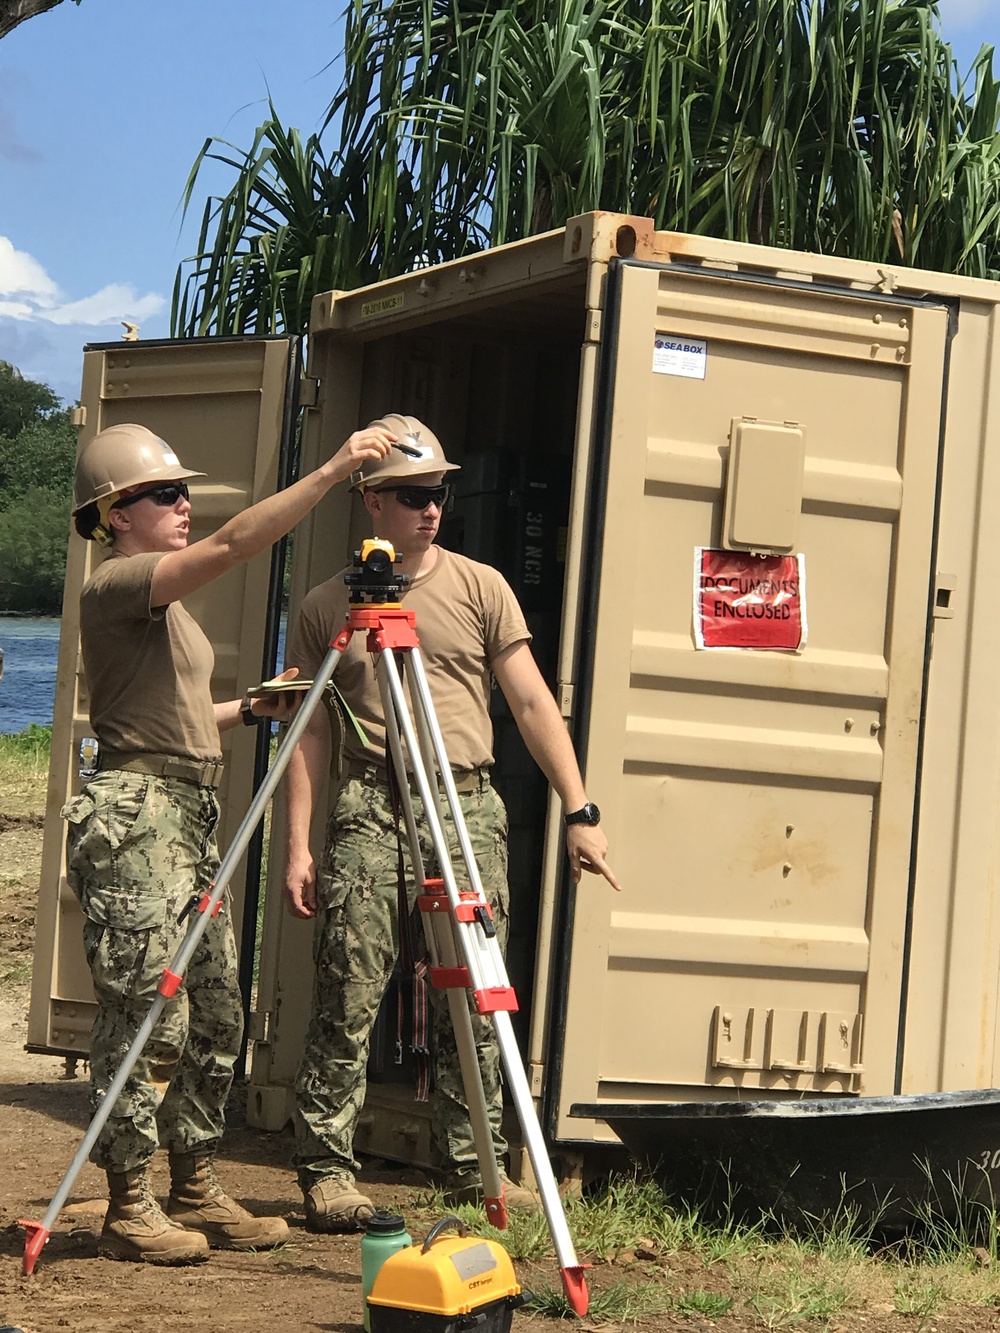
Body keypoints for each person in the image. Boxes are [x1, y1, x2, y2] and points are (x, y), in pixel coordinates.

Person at [61, 419, 395, 1265]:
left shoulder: (165, 610)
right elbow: (238, 542)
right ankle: (128, 1202)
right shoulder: (119, 583)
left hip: (186, 811)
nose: (185, 504)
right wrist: (333, 469)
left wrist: (247, 710)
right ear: (117, 513)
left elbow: (163, 719)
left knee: (214, 1010)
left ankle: (195, 1183)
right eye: (165, 494)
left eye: (184, 491)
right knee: (148, 1011)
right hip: (139, 819)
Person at [282, 412, 620, 1233]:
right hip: (372, 803)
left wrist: (580, 809)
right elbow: (309, 730)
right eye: (411, 495)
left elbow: (531, 700)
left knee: (474, 990)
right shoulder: (326, 605)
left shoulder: (480, 586)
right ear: (372, 500)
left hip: (463, 800)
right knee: (350, 988)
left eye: (438, 492)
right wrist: (298, 842)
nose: (430, 508)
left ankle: (478, 1166)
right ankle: (327, 1170)